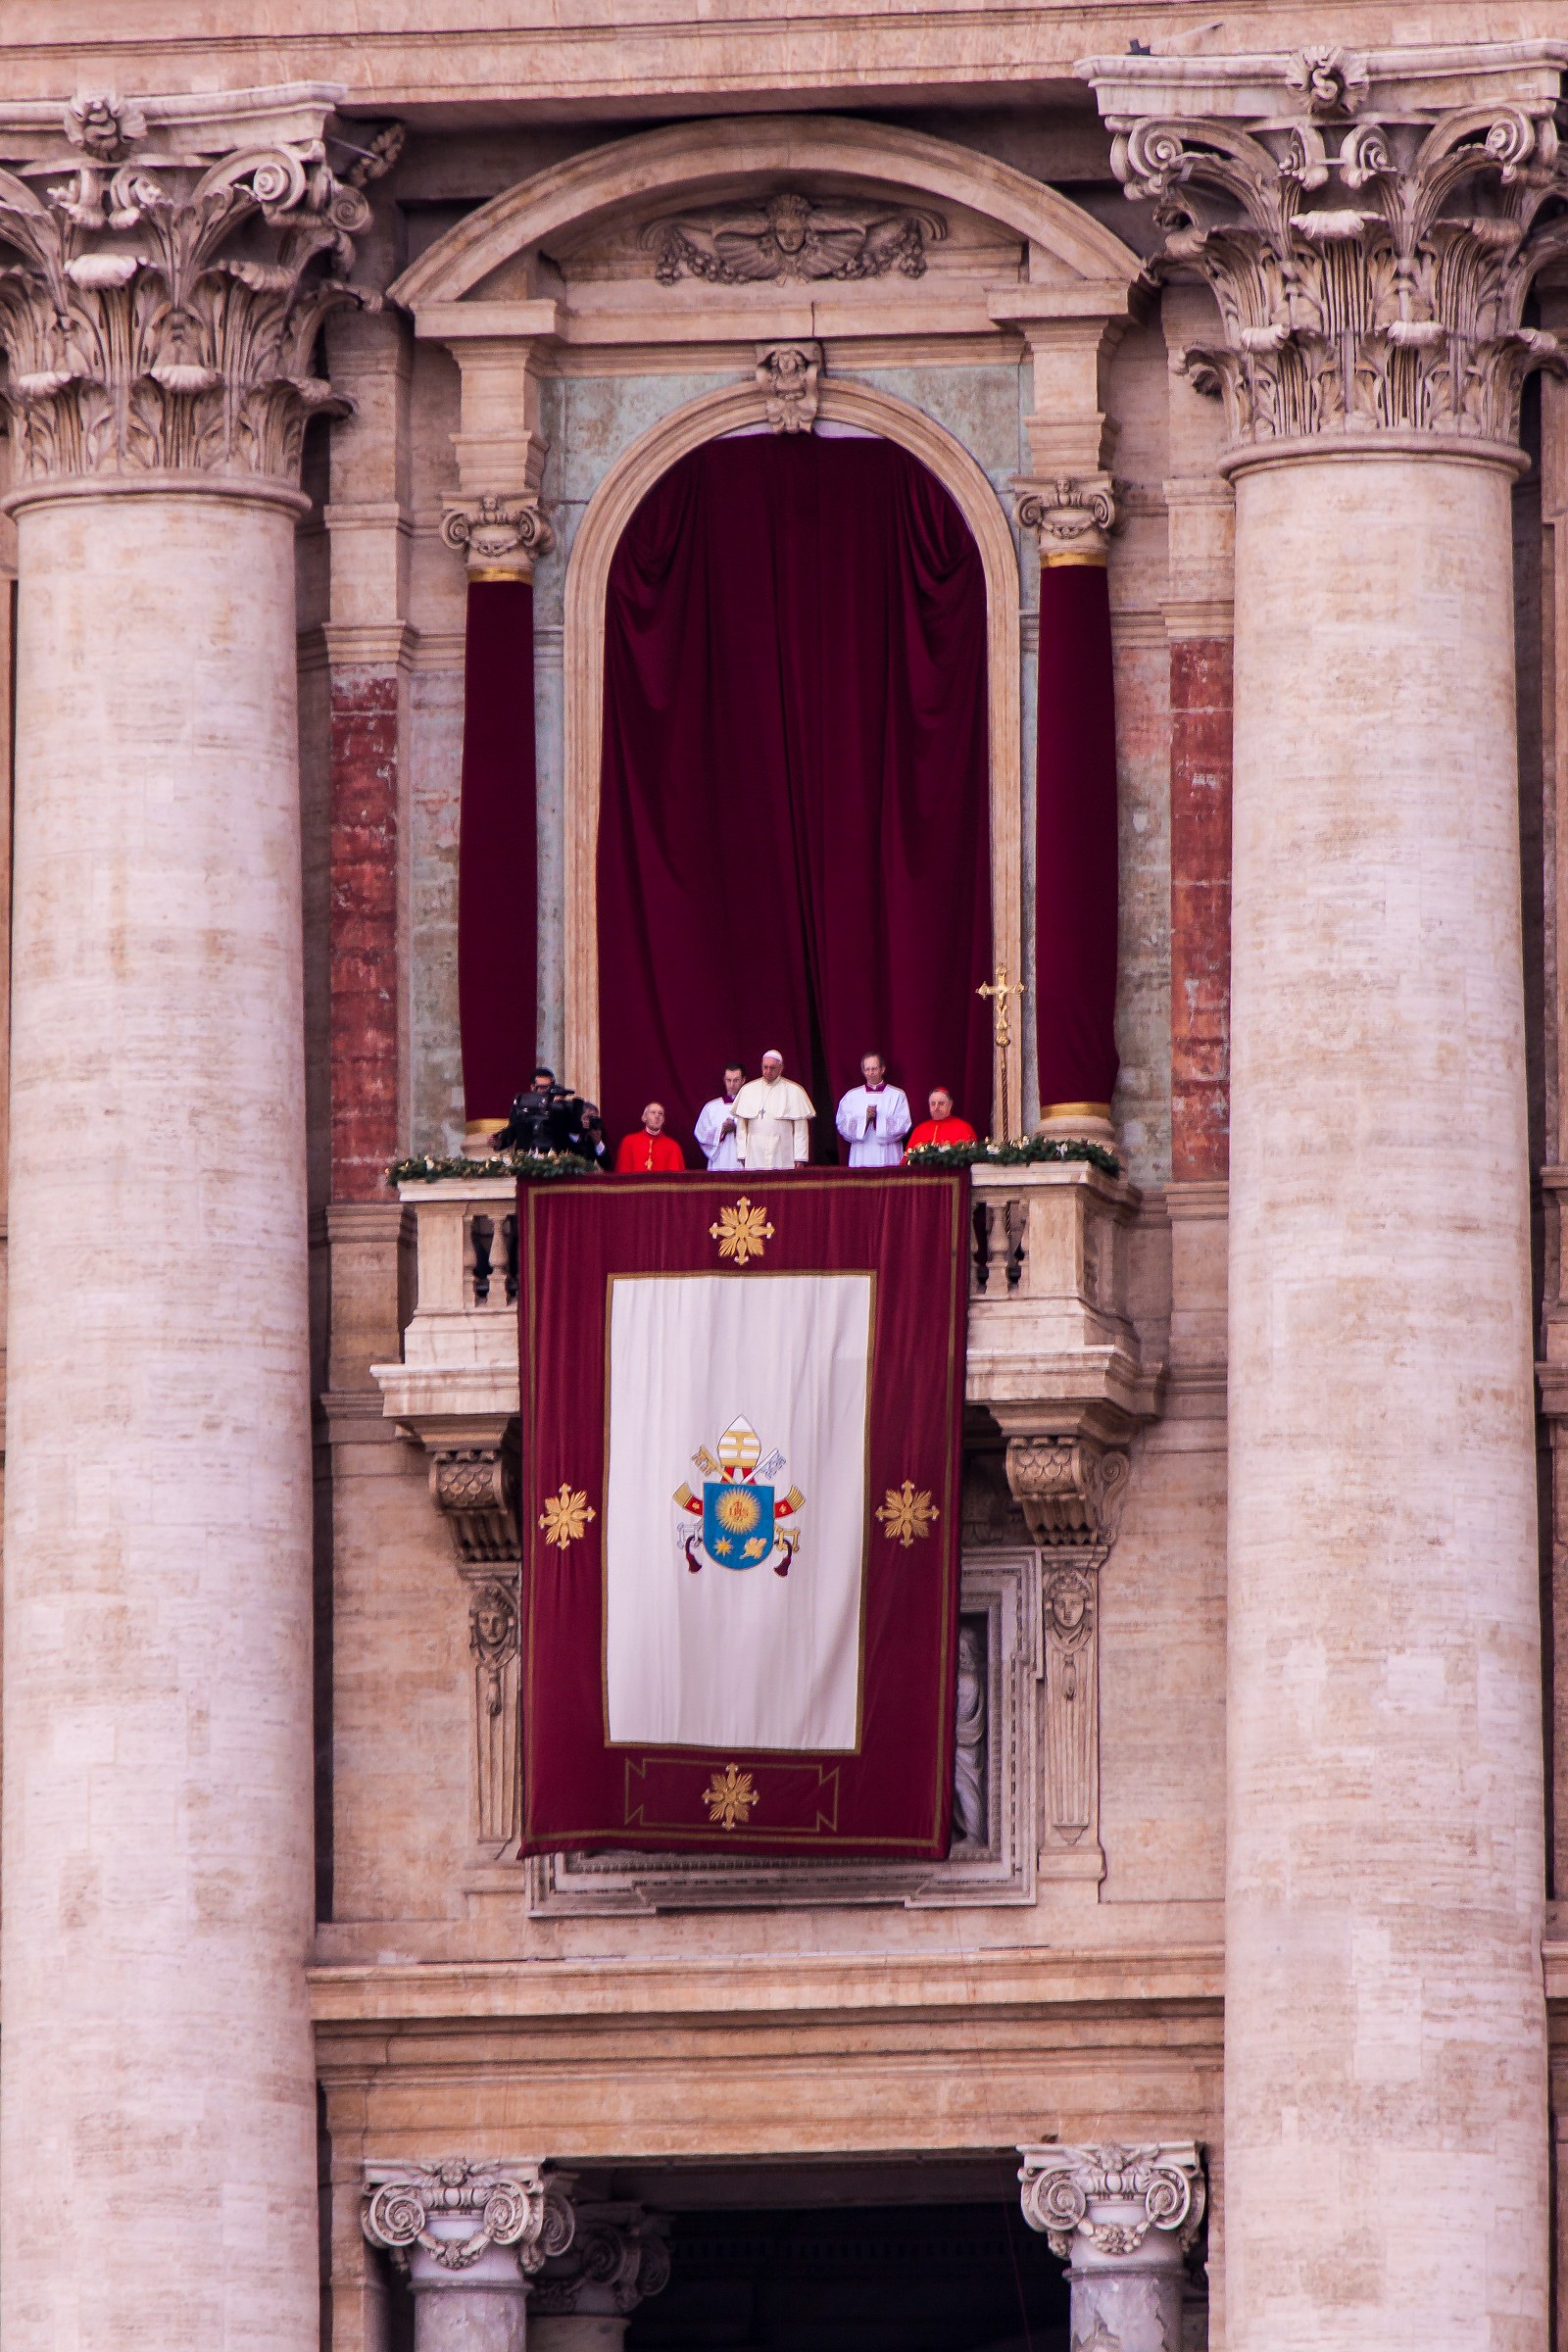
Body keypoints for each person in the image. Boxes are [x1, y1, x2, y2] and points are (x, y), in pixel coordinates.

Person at [733, 1051, 814, 1170]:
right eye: (765, 1067)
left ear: (781, 1068)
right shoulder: (748, 1090)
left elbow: (800, 1130)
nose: (768, 1071)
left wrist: (800, 1157)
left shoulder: (794, 1091)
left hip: (782, 1150)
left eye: (772, 1068)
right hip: (754, 1151)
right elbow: (741, 1128)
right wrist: (742, 1153)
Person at [835, 1052, 911, 1168]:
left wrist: (878, 1119)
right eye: (867, 1069)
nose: (871, 1073)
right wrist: (865, 1120)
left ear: (882, 1069)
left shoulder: (897, 1095)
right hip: (861, 1151)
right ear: (863, 1071)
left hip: (888, 1151)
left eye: (874, 1069)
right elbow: (842, 1124)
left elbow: (904, 1124)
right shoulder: (851, 1096)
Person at [695, 1064, 747, 1172]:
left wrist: (737, 1129)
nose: (732, 1085)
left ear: (743, 1080)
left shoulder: (751, 1107)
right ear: (724, 1080)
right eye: (728, 1080)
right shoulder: (711, 1107)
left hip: (743, 1163)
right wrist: (721, 1130)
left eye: (736, 1080)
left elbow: (758, 1134)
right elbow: (701, 1134)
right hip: (719, 1160)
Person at [903, 1085, 980, 1156]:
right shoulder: (919, 1130)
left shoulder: (963, 1128)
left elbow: (970, 1157)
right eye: (933, 1104)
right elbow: (907, 1159)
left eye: (941, 1103)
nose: (936, 1107)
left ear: (950, 1104)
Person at [614, 1102, 686, 1173]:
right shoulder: (629, 1142)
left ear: (663, 1120)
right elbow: (622, 1174)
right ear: (644, 1117)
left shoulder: (673, 1146)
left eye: (660, 1113)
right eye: (653, 1112)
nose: (657, 1116)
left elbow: (676, 1177)